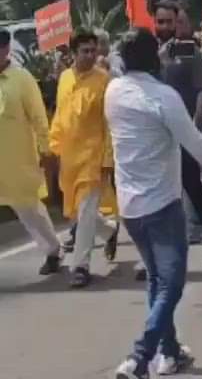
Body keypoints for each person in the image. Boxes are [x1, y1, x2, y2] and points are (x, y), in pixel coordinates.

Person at [106, 29, 202, 379]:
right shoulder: (164, 97)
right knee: (172, 282)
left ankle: (169, 352)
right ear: (155, 60)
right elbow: (195, 144)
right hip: (162, 205)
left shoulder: (114, 91)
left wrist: (156, 64)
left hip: (130, 207)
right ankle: (140, 356)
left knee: (156, 279)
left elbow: (131, 78)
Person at [154, 1, 202, 265]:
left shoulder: (190, 52)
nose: (164, 27)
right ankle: (159, 254)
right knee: (160, 192)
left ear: (177, 23)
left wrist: (198, 122)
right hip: (159, 134)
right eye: (159, 22)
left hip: (184, 130)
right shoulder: (149, 52)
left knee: (192, 185)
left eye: (169, 22)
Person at [49, 30, 119, 288]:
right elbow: (60, 114)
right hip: (69, 157)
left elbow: (108, 123)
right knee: (78, 212)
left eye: (93, 50)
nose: (91, 56)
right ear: (73, 54)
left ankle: (80, 266)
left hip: (93, 156)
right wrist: (52, 145)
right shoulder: (65, 78)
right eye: (85, 51)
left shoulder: (104, 81)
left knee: (87, 210)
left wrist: (108, 159)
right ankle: (110, 230)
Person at [0, 28, 62, 276]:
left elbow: (38, 116)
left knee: (29, 209)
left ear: (6, 50)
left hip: (18, 159)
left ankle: (53, 250)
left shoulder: (22, 78)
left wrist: (46, 148)